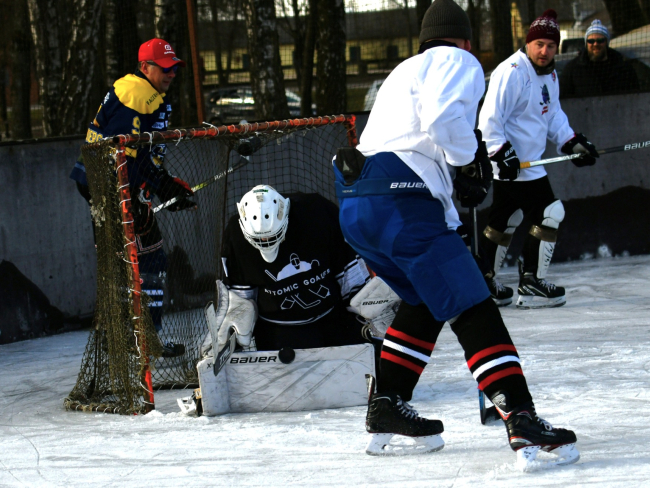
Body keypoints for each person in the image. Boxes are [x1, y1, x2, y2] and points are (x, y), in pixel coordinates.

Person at [333, 0, 579, 467]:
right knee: (471, 300)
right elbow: (444, 122)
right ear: (464, 40)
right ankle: (519, 414)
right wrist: (469, 161)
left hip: (358, 204)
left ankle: (387, 404)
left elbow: (413, 140)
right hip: (401, 202)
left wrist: (452, 185)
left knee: (425, 301)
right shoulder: (457, 60)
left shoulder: (404, 70)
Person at [70, 39, 196, 357]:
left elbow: (141, 154)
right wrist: (147, 192)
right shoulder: (139, 96)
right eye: (164, 68)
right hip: (112, 187)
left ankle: (137, 338)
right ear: (145, 67)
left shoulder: (137, 91)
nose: (170, 74)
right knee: (140, 262)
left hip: (112, 184)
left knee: (142, 261)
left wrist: (164, 185)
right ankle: (134, 339)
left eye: (174, 68)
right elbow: (126, 154)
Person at [478, 9, 600, 309]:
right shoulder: (513, 72)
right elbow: (489, 118)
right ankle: (531, 283)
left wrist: (572, 142)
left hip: (527, 163)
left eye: (550, 45)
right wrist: (499, 151)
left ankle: (483, 283)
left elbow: (553, 115)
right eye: (539, 45)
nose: (544, 51)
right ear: (528, 43)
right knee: (550, 212)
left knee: (505, 219)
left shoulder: (550, 74)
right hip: (512, 164)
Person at [218, 185, 387, 351]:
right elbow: (242, 298)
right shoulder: (236, 238)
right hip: (279, 329)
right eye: (259, 239)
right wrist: (237, 319)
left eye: (271, 235)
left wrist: (366, 310)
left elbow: (349, 272)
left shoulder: (317, 214)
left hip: (332, 316)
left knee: (359, 364)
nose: (265, 242)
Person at [560, 20, 640, 98]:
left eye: (600, 40)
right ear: (586, 43)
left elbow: (635, 97)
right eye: (591, 41)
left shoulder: (623, 68)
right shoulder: (572, 69)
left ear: (606, 42)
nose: (595, 44)